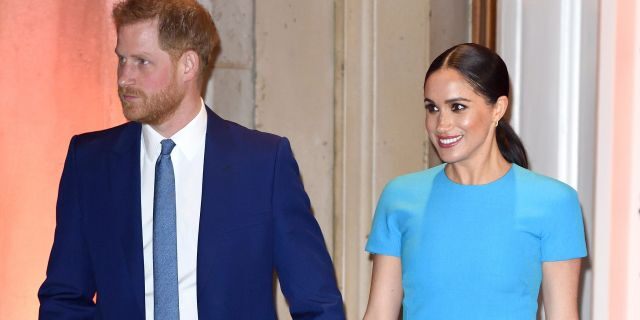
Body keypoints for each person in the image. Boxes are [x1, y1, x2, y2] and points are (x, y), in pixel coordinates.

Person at [37, 0, 345, 319]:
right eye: (122, 60)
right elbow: (65, 297)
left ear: (188, 65)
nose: (124, 78)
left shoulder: (264, 164)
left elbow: (317, 303)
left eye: (142, 62)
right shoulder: (90, 161)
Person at [363, 43, 587, 319]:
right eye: (432, 108)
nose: (441, 124)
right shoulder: (399, 197)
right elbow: (378, 314)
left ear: (498, 109)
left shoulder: (554, 202)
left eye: (457, 107)